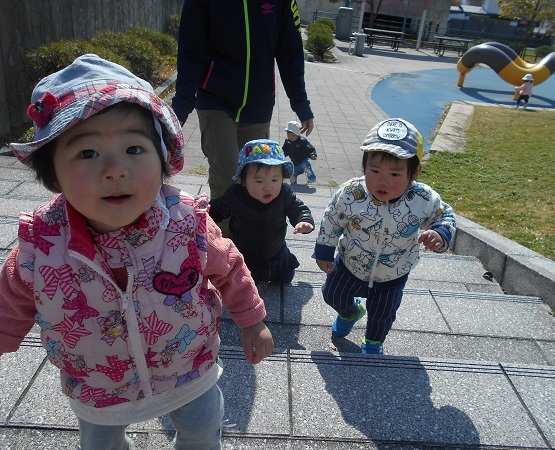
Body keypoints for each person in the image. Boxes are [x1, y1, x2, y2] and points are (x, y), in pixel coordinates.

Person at [0, 54, 274, 450]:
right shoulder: (39, 247)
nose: (115, 170)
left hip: (188, 369)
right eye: (87, 153)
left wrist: (252, 320)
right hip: (97, 386)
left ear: (162, 159)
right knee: (100, 444)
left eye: (133, 148)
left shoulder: (187, 224)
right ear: (53, 173)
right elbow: (9, 304)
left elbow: (229, 268)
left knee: (202, 429)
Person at [313, 118, 456, 355]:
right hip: (350, 264)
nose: (383, 181)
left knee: (383, 314)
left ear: (414, 172)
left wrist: (440, 234)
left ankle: (373, 342)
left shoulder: (423, 198)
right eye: (375, 171)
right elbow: (332, 218)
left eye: (395, 173)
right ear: (364, 166)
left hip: (394, 273)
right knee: (332, 294)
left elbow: (445, 216)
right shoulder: (352, 192)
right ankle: (350, 312)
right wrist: (324, 249)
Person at [172, 0, 315, 206]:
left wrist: (301, 103)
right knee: (226, 176)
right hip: (215, 99)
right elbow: (190, 50)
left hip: (259, 104)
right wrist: (181, 107)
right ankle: (220, 227)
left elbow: (290, 51)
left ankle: (250, 227)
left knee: (257, 177)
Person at [209, 139, 314, 284]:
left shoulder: (284, 194)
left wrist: (304, 220)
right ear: (244, 181)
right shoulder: (235, 196)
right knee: (247, 282)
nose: (268, 187)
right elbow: (215, 209)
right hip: (245, 254)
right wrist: (199, 213)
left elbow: (298, 209)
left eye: (275, 180)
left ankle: (282, 266)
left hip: (276, 250)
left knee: (285, 277)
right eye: (259, 181)